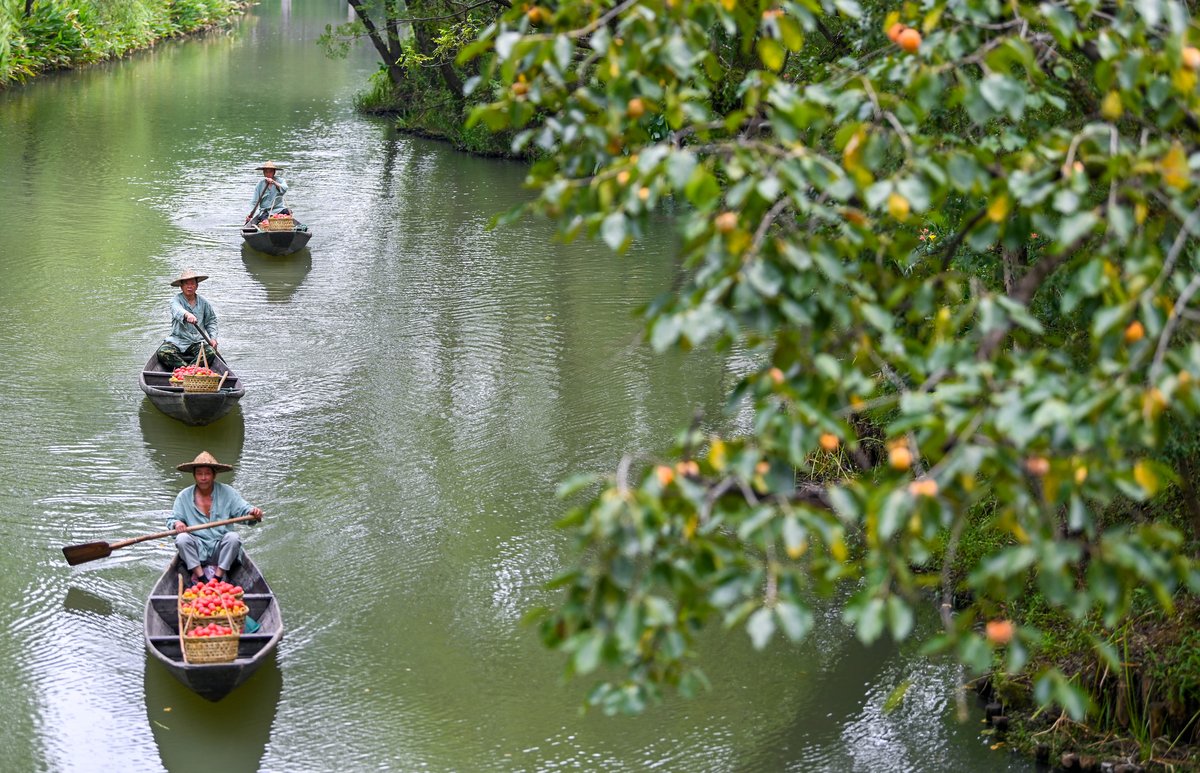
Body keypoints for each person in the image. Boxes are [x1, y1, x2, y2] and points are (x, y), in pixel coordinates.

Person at [168, 451, 263, 586]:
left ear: (214, 475)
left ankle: (217, 578)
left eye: (207, 473)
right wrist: (177, 523)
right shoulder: (183, 496)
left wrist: (253, 513)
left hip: (220, 549)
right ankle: (201, 578)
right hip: (197, 550)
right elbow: (172, 519)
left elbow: (244, 511)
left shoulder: (227, 492)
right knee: (182, 539)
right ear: (194, 476)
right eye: (199, 473)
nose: (203, 477)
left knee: (233, 538)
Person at [157, 269, 219, 371]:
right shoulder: (175, 300)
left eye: (192, 283)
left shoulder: (204, 303)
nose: (189, 286)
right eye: (186, 284)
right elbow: (177, 310)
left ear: (197, 286)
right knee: (163, 352)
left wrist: (213, 338)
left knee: (210, 352)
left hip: (197, 342)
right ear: (181, 286)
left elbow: (211, 321)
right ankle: (188, 370)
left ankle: (187, 370)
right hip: (177, 340)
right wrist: (187, 314)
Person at [245, 161, 292, 226]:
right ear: (263, 173)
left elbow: (285, 188)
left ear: (274, 172)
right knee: (266, 222)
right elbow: (254, 202)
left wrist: (274, 182)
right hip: (266, 211)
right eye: (266, 172)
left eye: (270, 172)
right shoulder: (260, 185)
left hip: (279, 210)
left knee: (288, 213)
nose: (268, 174)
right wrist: (249, 214)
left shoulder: (280, 180)